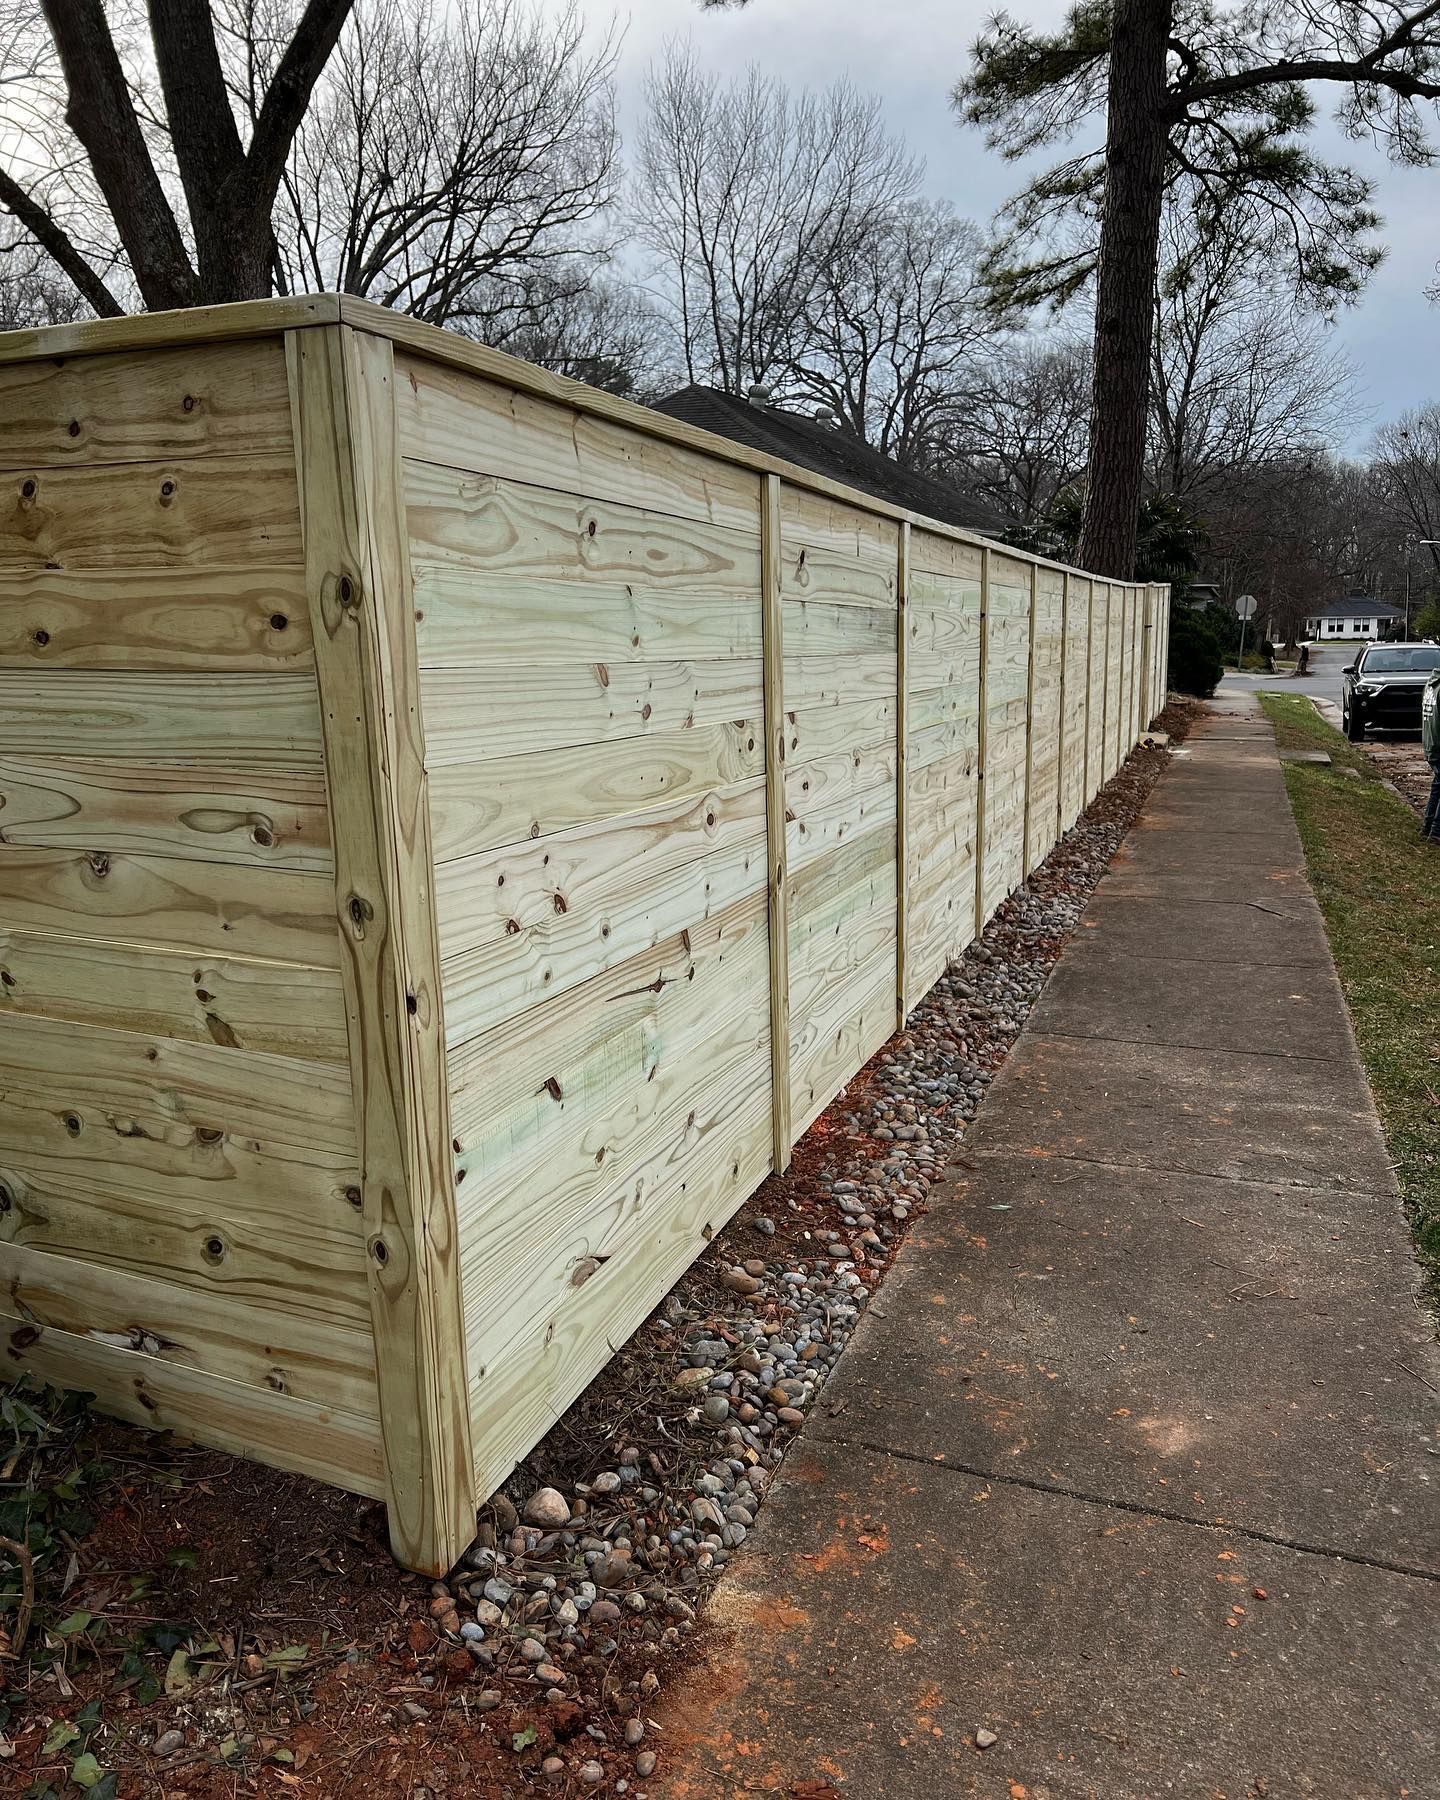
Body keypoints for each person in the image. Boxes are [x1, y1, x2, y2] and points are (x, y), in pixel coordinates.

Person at [1423, 671, 1440, 843]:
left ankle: (1427, 826)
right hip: (1438, 745)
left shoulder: (1431, 683)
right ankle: (1436, 831)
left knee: (1437, 786)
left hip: (1431, 744)